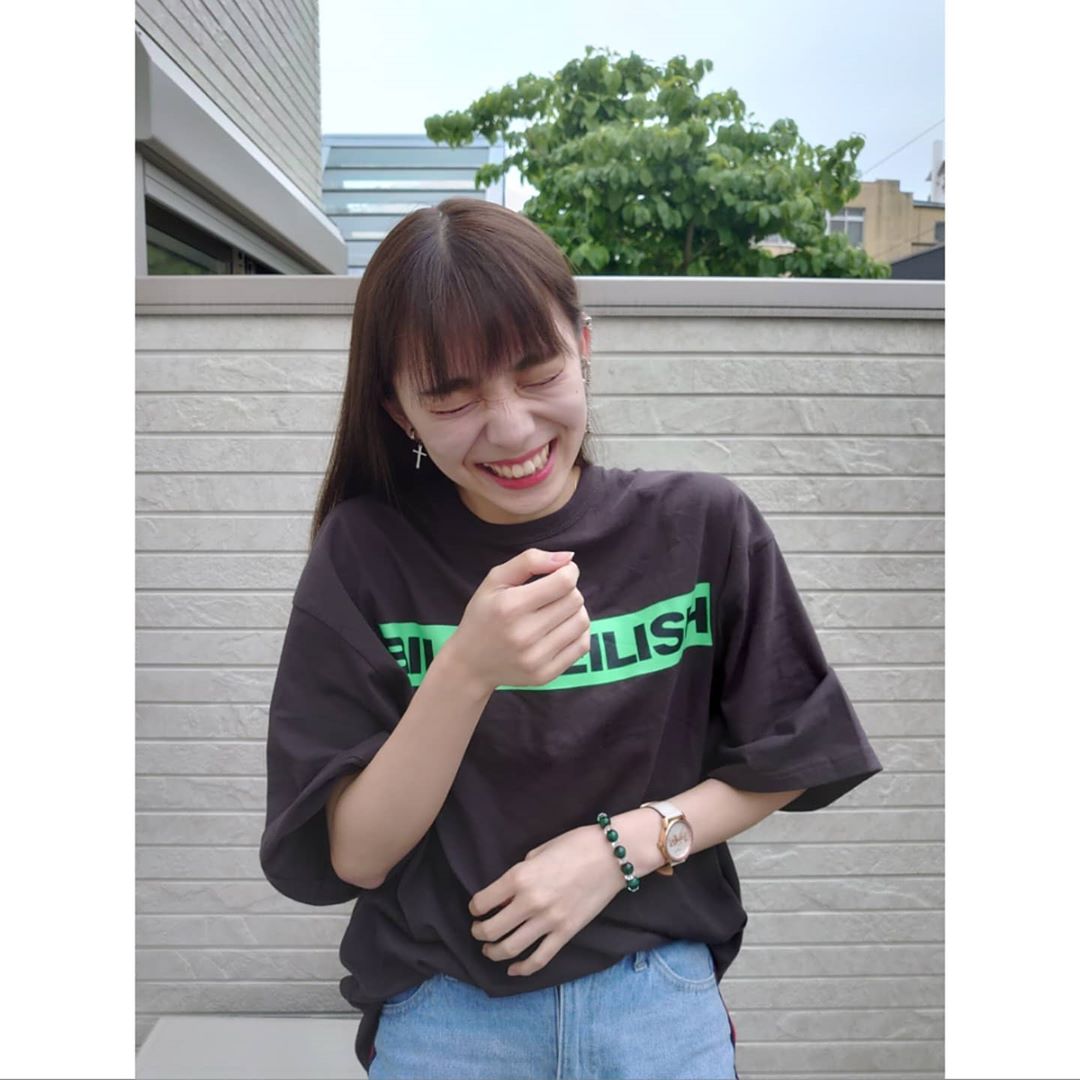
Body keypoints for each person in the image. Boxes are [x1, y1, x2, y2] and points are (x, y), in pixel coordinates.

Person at [259, 197, 883, 1080]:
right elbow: (356, 853)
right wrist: (467, 669)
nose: (511, 428)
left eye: (537, 370)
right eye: (452, 394)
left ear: (583, 343)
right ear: (399, 411)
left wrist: (619, 849)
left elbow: (791, 754)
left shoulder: (702, 525)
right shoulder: (366, 552)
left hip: (658, 1004)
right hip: (447, 1021)